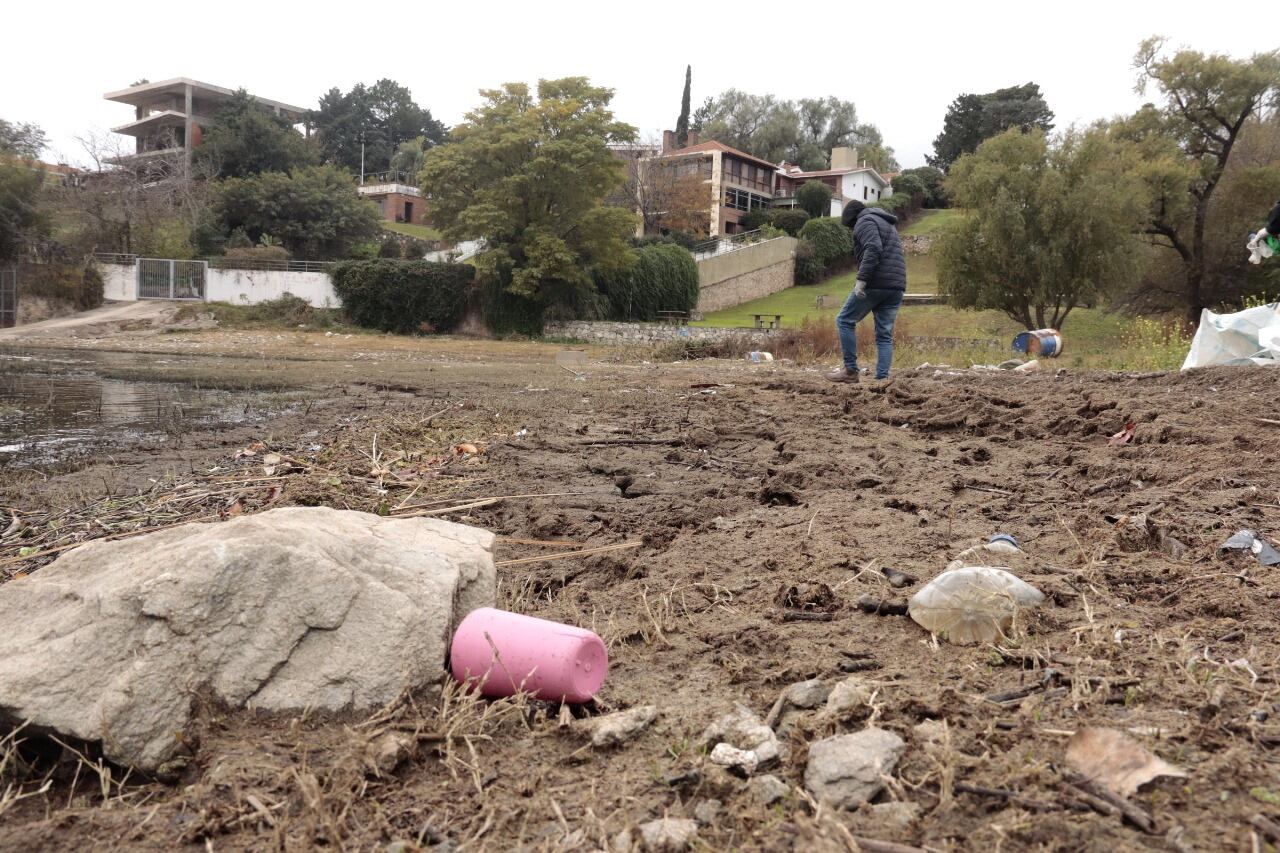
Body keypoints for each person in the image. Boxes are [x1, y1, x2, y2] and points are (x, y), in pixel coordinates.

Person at [825, 200, 907, 383]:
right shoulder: (886, 223)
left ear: (853, 219)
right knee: (884, 335)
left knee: (844, 320)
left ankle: (850, 371)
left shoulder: (864, 222)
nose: (851, 230)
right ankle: (882, 380)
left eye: (850, 227)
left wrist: (862, 280)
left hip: (875, 283)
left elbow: (874, 247)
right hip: (896, 286)